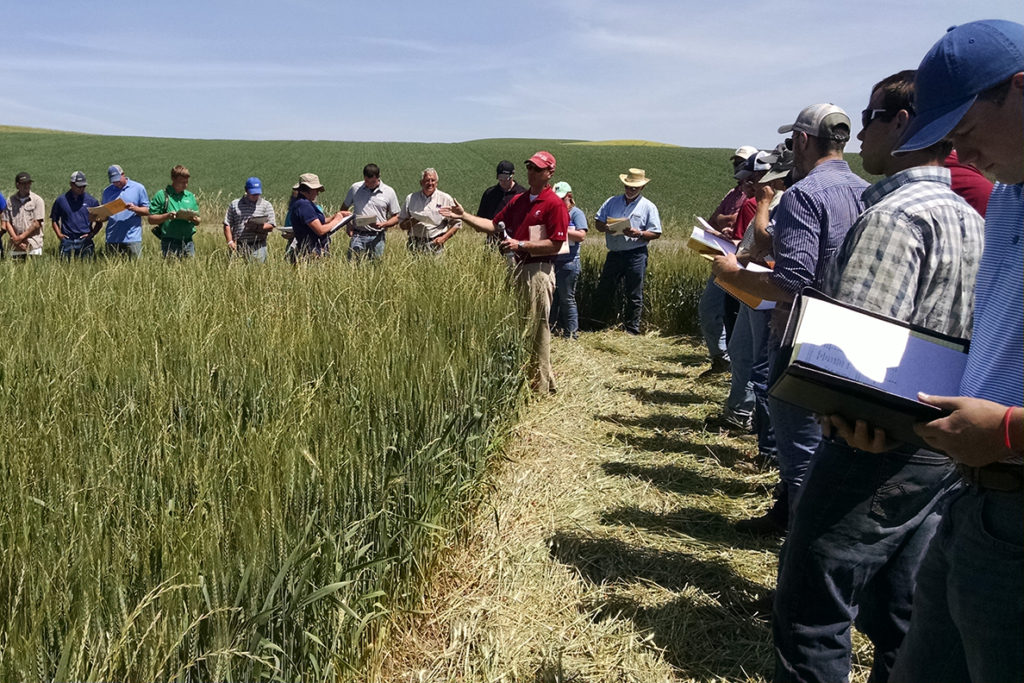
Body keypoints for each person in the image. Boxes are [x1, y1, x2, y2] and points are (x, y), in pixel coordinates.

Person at [771, 70, 985, 683]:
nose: (859, 133)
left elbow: (856, 353)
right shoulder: (969, 216)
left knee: (812, 602)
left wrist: (837, 409)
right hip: (941, 441)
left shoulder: (893, 216)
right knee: (900, 606)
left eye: (869, 117)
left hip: (875, 441)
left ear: (902, 122)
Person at [831, 21, 1023, 683]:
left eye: (966, 127)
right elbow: (991, 353)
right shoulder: (1004, 201)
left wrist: (1002, 428)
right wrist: (900, 414)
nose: (958, 150)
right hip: (975, 498)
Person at [712, 104, 868, 532]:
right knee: (827, 448)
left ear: (801, 140)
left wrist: (734, 274)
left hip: (800, 336)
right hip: (849, 339)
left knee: (798, 454)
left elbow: (793, 282)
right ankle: (793, 521)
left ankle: (797, 556)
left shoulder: (805, 194)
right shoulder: (866, 190)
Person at [440, 151, 568, 393]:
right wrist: (463, 216)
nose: (531, 172)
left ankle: (539, 386)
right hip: (515, 268)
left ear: (549, 173)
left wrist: (521, 245)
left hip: (538, 271)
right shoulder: (518, 201)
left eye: (537, 169)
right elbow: (491, 226)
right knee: (521, 325)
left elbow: (556, 244)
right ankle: (535, 381)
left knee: (537, 327)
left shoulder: (554, 204)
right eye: (529, 167)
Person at [698, 146, 758, 374]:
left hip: (740, 262)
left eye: (742, 162)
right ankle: (722, 359)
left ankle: (733, 365)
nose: (737, 166)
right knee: (711, 309)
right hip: (724, 257)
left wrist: (727, 222)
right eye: (736, 162)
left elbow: (743, 231)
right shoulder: (732, 194)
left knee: (731, 314)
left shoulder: (754, 199)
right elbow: (716, 220)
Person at [590, 168, 662, 335]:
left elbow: (656, 232)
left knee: (634, 293)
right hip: (614, 253)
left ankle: (631, 330)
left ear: (641, 188)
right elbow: (597, 222)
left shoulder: (649, 207)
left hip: (635, 254)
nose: (630, 190)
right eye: (628, 187)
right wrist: (606, 227)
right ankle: (597, 325)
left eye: (634, 188)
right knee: (604, 290)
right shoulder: (611, 202)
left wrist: (640, 233)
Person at [549, 181, 588, 338]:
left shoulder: (576, 213)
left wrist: (562, 230)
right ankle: (551, 330)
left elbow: (581, 235)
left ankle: (571, 333)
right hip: (553, 260)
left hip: (569, 262)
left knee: (567, 298)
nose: (558, 202)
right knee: (552, 299)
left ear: (569, 197)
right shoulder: (553, 212)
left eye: (561, 199)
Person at [341, 163, 401, 260]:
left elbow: (397, 216)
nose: (369, 184)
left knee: (375, 266)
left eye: (372, 182)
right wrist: (348, 225)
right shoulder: (355, 188)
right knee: (352, 265)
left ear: (378, 177)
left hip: (377, 237)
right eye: (366, 181)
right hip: (357, 235)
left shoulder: (389, 192)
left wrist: (384, 224)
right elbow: (343, 209)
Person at [288, 173, 349, 260]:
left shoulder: (305, 203)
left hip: (313, 250)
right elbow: (320, 230)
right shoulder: (304, 205)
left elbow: (321, 220)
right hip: (311, 252)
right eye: (316, 190)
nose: (318, 193)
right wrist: (336, 220)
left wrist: (336, 216)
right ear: (308, 189)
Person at [399, 168, 460, 253]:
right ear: (421, 183)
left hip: (435, 243)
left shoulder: (445, 199)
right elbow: (402, 225)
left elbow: (457, 223)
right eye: (427, 180)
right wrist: (413, 221)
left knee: (435, 267)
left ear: (437, 183)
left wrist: (443, 239)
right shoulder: (411, 198)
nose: (430, 183)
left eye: (433, 180)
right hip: (413, 243)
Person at [148, 165, 201, 258]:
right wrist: (167, 216)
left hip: (188, 242)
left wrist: (194, 219)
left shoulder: (189, 196)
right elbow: (151, 219)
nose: (185, 185)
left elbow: (198, 220)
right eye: (182, 182)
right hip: (170, 242)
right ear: (173, 179)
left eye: (187, 182)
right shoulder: (162, 195)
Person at [101, 164, 150, 258]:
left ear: (123, 174)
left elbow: (148, 210)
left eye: (118, 179)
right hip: (112, 238)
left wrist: (135, 208)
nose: (116, 183)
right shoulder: (107, 191)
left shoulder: (138, 188)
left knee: (136, 267)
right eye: (113, 181)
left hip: (132, 238)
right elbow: (105, 216)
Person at [223, 177, 276, 262]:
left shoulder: (266, 205)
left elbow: (271, 225)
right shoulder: (235, 204)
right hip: (238, 245)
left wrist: (256, 227)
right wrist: (230, 242)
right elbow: (227, 224)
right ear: (246, 190)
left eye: (257, 194)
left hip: (258, 246)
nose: (255, 196)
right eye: (253, 194)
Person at [51, 171, 101, 260]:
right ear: (71, 184)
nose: (81, 189)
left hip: (85, 240)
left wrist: (92, 234)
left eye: (84, 186)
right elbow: (54, 219)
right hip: (67, 240)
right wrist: (59, 234)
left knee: (87, 267)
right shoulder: (61, 200)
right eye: (79, 186)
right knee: (65, 267)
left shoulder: (92, 201)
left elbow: (99, 221)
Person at [477, 160, 526, 246]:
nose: (503, 181)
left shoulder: (522, 194)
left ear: (512, 175)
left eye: (506, 178)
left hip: (515, 242)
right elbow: (481, 217)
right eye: (500, 178)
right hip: (492, 242)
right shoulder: (489, 193)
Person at [3, 172, 45, 259]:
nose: (26, 186)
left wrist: (21, 238)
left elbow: (37, 223)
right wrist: (15, 239)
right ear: (17, 185)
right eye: (23, 183)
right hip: (15, 246)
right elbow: (7, 221)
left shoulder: (37, 200)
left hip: (33, 245)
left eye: (28, 183)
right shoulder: (10, 201)